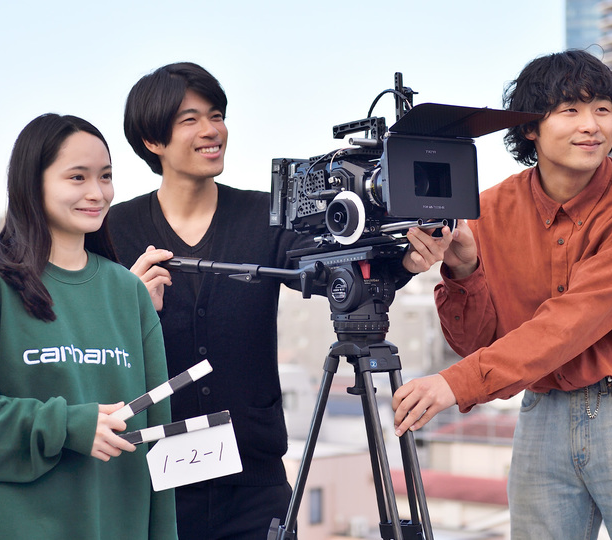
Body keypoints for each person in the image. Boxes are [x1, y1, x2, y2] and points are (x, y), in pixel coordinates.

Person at [109, 61, 432, 539]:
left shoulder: (265, 215)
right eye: (190, 120)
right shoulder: (115, 229)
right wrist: (126, 307)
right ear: (151, 141)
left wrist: (407, 261)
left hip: (255, 482)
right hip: (153, 481)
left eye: (217, 115)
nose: (211, 131)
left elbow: (335, 276)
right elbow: (72, 318)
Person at [392, 49, 612, 539]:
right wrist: (465, 268)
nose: (592, 125)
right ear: (530, 128)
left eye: (603, 109)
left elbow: (576, 317)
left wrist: (456, 384)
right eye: (570, 110)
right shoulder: (487, 209)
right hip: (543, 408)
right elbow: (477, 342)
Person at [0, 114, 177, 540]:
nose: (97, 192)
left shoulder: (128, 293)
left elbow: (156, 438)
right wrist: (67, 426)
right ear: (31, 184)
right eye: (77, 177)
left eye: (106, 176)